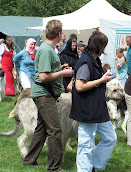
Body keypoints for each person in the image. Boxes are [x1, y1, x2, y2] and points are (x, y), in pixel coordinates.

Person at [23, 20, 74, 172]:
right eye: (62, 33)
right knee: (56, 130)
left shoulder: (48, 49)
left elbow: (47, 71)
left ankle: (29, 160)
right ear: (59, 34)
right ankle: (54, 167)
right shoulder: (46, 50)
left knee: (42, 129)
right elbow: (44, 76)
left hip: (45, 93)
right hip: (44, 95)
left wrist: (59, 68)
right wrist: (63, 73)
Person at [69, 31, 117, 172]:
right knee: (86, 144)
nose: (105, 49)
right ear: (99, 46)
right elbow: (79, 86)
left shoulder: (94, 60)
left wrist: (103, 79)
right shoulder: (85, 61)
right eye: (104, 45)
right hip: (87, 109)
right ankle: (85, 169)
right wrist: (101, 80)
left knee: (110, 138)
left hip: (98, 109)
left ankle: (93, 165)